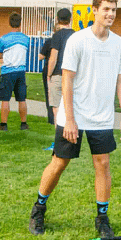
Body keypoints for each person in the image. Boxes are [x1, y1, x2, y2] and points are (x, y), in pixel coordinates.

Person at [29, 0, 121, 237]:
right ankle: (39, 209)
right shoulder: (78, 39)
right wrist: (70, 119)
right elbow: (67, 79)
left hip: (102, 117)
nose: (111, 14)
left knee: (103, 164)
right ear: (94, 10)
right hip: (72, 116)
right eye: (106, 9)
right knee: (59, 162)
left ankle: (102, 218)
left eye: (114, 10)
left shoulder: (117, 43)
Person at [0, 12, 30, 131]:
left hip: (7, 72)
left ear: (10, 23)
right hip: (21, 72)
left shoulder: (3, 39)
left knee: (5, 99)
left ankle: (3, 124)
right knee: (22, 99)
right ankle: (23, 124)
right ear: (20, 23)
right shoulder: (26, 38)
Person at [45, 9, 76, 147]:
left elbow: (53, 57)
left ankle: (58, 142)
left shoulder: (57, 36)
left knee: (56, 109)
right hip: (73, 77)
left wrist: (48, 74)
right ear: (71, 19)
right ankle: (72, 137)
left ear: (57, 19)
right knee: (71, 107)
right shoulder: (76, 35)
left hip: (58, 75)